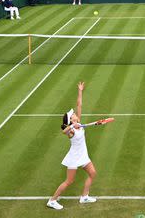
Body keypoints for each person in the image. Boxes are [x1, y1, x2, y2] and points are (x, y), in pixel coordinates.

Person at [47, 81, 98, 210]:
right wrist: (71, 126)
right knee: (69, 181)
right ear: (71, 120)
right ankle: (52, 200)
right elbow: (63, 131)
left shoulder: (78, 122)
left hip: (83, 155)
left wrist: (80, 90)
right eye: (73, 114)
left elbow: (79, 104)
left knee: (93, 173)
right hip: (74, 157)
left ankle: (84, 197)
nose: (75, 113)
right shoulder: (71, 131)